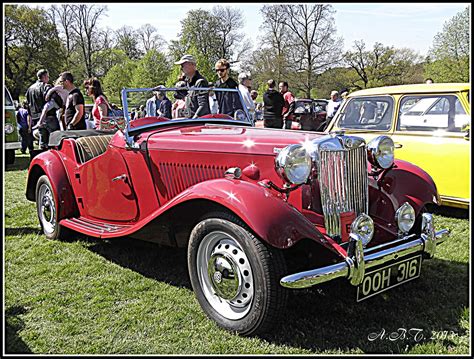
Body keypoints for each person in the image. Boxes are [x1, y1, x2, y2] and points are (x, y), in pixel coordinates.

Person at [25, 69, 59, 149]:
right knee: (55, 140)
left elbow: (28, 105)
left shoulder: (29, 89)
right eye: (47, 76)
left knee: (43, 142)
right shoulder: (46, 86)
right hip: (49, 116)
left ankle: (43, 157)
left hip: (37, 119)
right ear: (44, 76)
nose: (48, 78)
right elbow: (55, 99)